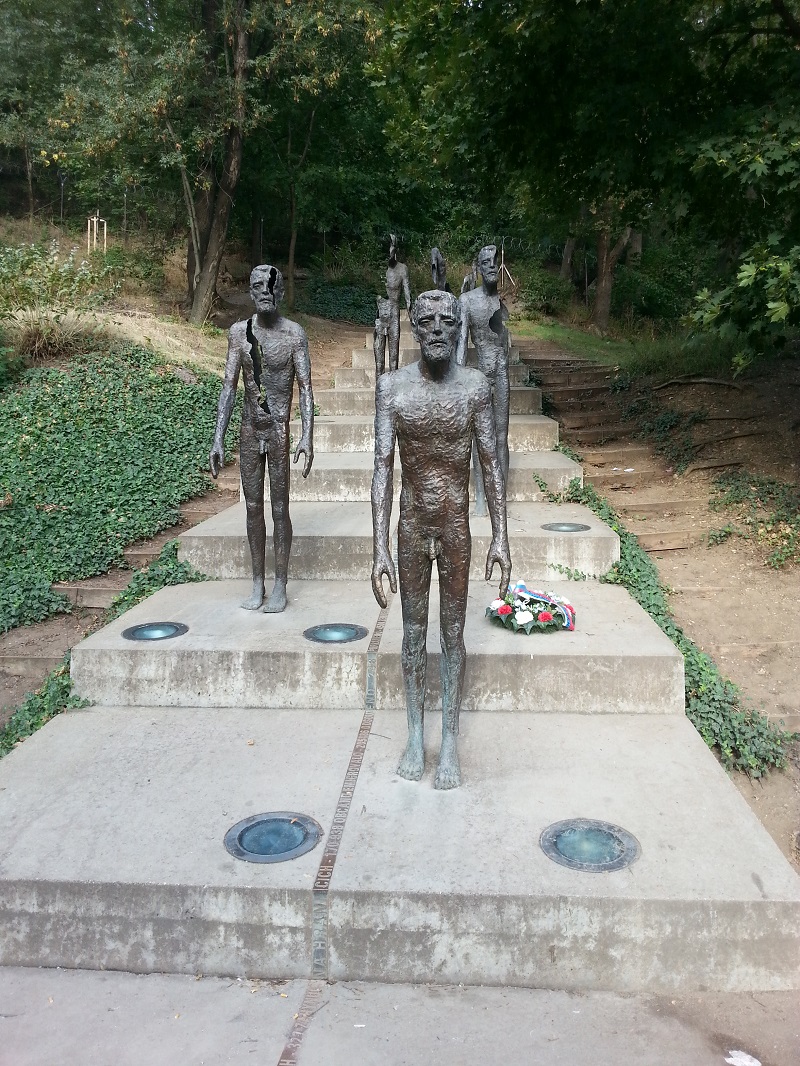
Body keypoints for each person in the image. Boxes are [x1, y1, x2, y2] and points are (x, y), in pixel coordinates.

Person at [371, 289, 511, 790]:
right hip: (411, 524)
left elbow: (491, 462)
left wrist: (501, 537)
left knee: (453, 634)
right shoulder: (392, 388)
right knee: (411, 634)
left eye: (446, 322)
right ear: (413, 326)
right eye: (426, 320)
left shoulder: (474, 388)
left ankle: (448, 739)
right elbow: (381, 469)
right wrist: (379, 547)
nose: (436, 329)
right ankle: (415, 734)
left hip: (454, 525)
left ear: (459, 329)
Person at [209, 265, 314, 613]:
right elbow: (228, 386)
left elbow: (306, 389)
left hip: (280, 429)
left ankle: (280, 585)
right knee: (253, 508)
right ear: (251, 292)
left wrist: (308, 435)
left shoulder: (294, 334)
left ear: (281, 292)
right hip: (250, 429)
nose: (265, 291)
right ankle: (258, 583)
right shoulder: (239, 334)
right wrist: (218, 437)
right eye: (258, 286)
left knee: (280, 508)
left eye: (271, 286)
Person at [456, 245, 510, 516]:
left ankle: (500, 499)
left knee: (501, 437)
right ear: (478, 268)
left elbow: (505, 343)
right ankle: (480, 497)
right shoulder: (467, 302)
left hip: (501, 372)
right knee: (481, 437)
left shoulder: (500, 302)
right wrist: (458, 381)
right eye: (486, 262)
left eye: (495, 262)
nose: (492, 266)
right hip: (479, 376)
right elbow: (461, 348)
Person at [385, 233, 412, 372]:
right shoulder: (385, 269)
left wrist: (411, 317)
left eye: (392, 246)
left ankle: (393, 376)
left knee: (393, 345)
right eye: (389, 247)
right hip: (383, 311)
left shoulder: (402, 269)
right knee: (379, 352)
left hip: (394, 310)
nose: (390, 250)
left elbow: (408, 296)